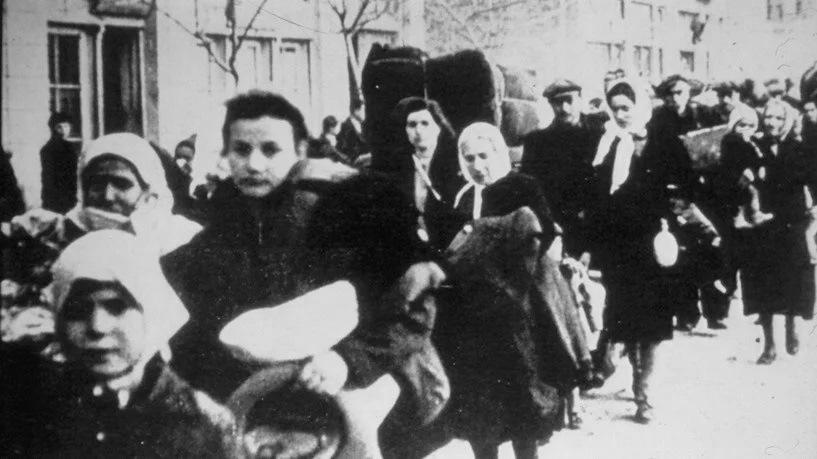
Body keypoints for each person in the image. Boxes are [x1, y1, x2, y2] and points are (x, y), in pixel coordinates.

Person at [160, 91, 449, 445]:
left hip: (361, 389)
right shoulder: (220, 226)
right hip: (265, 404)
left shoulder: (346, 210)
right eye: (241, 150)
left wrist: (348, 360)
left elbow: (414, 308)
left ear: (298, 151)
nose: (254, 164)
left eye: (271, 150)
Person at [1, 230, 238, 457]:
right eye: (78, 309)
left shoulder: (205, 426)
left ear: (151, 313)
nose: (98, 327)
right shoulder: (31, 407)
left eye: (117, 307)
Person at [433, 121, 589, 459]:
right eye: (469, 158)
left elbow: (544, 233)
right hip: (472, 314)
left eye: (484, 156)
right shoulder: (461, 196)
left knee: (522, 398)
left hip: (517, 308)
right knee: (478, 405)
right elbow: (449, 248)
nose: (478, 165)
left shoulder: (522, 186)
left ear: (499, 153)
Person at [3, 133, 202, 351]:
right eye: (96, 183)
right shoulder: (62, 236)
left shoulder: (179, 240)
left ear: (148, 191)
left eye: (122, 184)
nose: (107, 196)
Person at [586, 78, 680, 423]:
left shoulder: (660, 141)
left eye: (627, 107)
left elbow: (680, 189)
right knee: (624, 321)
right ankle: (627, 374)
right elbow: (595, 196)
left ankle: (645, 395)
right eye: (615, 108)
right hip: (618, 249)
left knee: (651, 326)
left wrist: (671, 222)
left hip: (651, 247)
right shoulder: (607, 143)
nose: (621, 114)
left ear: (639, 106)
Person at [727, 99, 816, 364]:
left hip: (792, 221)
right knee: (762, 282)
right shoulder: (755, 146)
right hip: (762, 224)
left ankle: (792, 323)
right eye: (768, 117)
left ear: (788, 120)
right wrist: (745, 177)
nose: (772, 123)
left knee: (794, 279)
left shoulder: (801, 148)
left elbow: (812, 182)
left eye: (778, 118)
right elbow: (737, 177)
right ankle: (769, 345)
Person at [521, 78, 607, 256]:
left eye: (569, 101)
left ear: (580, 99)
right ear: (551, 105)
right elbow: (529, 188)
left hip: (597, 227)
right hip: (557, 228)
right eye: (557, 103)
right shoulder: (537, 142)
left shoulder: (601, 136)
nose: (564, 108)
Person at [374, 96, 463, 249]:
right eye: (412, 125)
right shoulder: (399, 164)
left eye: (425, 123)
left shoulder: (454, 164)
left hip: (447, 241)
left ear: (438, 127)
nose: (418, 131)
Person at [40, 112, 80, 213]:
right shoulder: (68, 149)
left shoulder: (46, 149)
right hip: (65, 198)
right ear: (57, 128)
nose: (68, 129)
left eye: (67, 126)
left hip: (51, 199)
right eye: (65, 126)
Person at [337, 99, 368, 163]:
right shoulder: (347, 126)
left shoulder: (362, 124)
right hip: (355, 161)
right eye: (364, 110)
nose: (365, 113)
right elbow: (349, 149)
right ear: (356, 110)